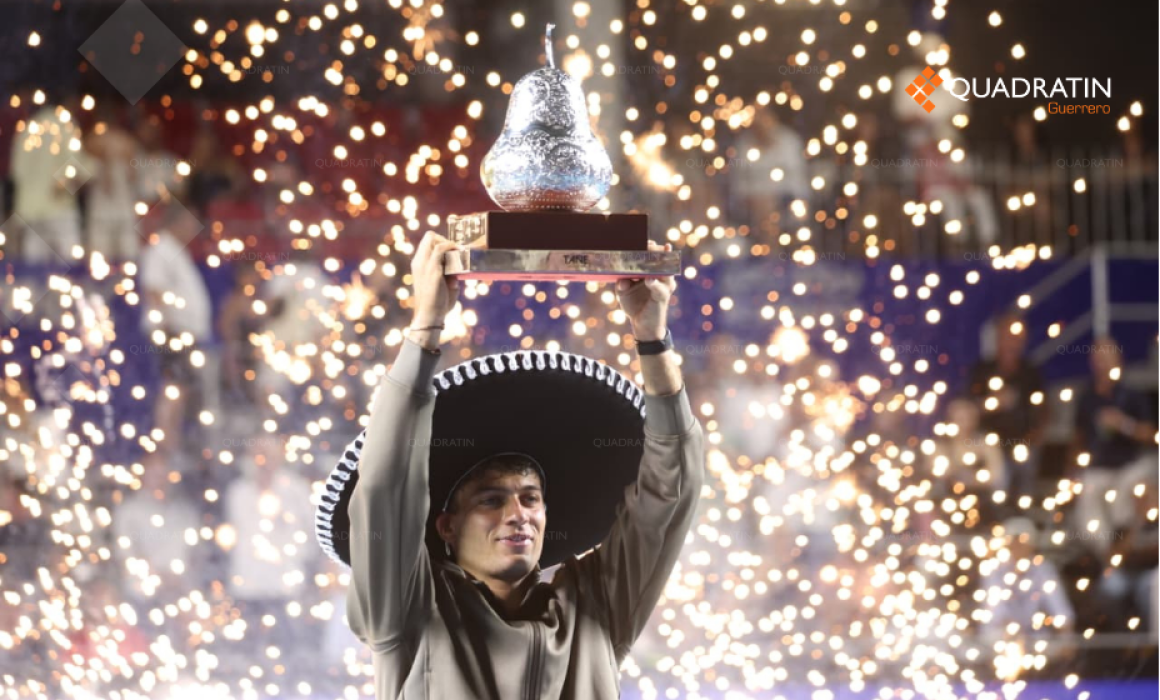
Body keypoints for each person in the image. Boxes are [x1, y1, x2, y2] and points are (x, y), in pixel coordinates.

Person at [316, 233, 705, 698]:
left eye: (530, 498)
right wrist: (426, 326)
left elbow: (671, 494)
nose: (517, 513)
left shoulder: (597, 606)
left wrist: (652, 340)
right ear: (445, 525)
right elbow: (385, 488)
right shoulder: (408, 606)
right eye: (491, 499)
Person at [138, 203, 213, 455]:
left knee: (181, 390)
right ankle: (165, 447)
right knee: (174, 389)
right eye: (191, 222)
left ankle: (173, 443)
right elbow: (154, 290)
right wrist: (166, 327)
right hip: (173, 333)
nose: (194, 228)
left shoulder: (175, 251)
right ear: (178, 221)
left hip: (182, 333)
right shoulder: (161, 250)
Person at [1071, 338, 1157, 555]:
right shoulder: (1086, 397)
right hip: (1098, 469)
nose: (1103, 364)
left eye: (1108, 358)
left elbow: (1151, 435)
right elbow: (1078, 438)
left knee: (1131, 494)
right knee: (1088, 507)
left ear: (1118, 361)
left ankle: (1128, 548)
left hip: (1130, 466)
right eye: (1099, 358)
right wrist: (1072, 469)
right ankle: (1108, 556)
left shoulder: (1133, 395)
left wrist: (1124, 424)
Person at [968, 314, 1048, 506]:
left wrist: (1035, 436)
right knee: (994, 468)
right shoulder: (982, 370)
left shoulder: (1030, 372)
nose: (1012, 343)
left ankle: (1021, 513)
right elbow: (968, 409)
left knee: (1025, 463)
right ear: (998, 339)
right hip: (988, 441)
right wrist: (991, 403)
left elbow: (1043, 408)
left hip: (1023, 440)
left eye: (1017, 338)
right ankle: (994, 514)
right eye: (1007, 337)